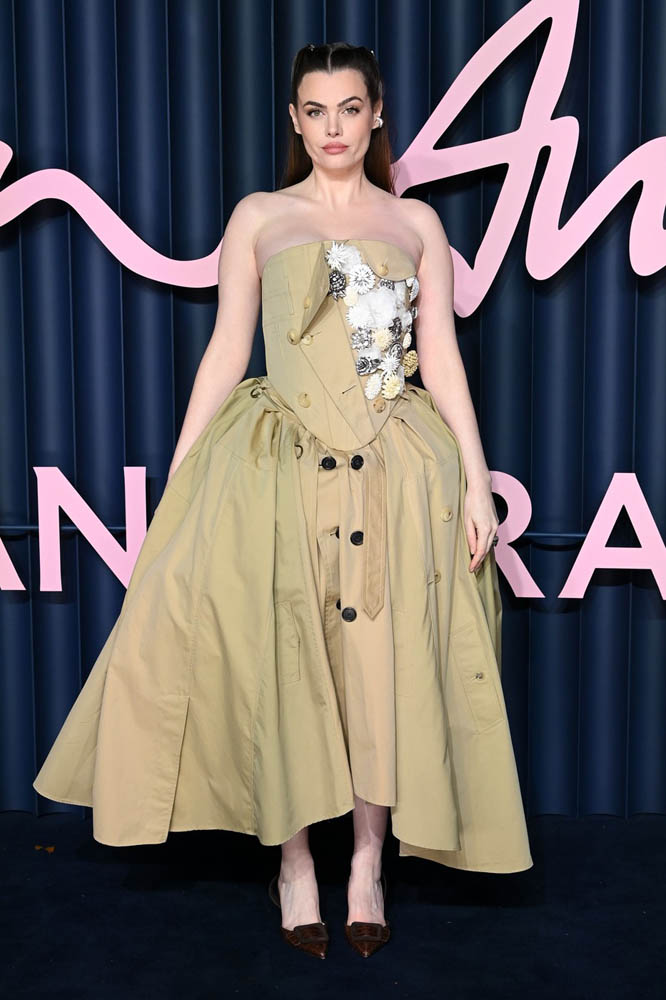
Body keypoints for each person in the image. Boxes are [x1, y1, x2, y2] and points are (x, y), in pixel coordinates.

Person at [33, 42, 532, 961]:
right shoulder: (260, 216)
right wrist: (183, 478)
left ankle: (367, 866)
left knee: (384, 668)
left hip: (396, 467)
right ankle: (294, 864)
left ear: (376, 114)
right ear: (295, 120)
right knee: (286, 660)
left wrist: (475, 477)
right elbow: (229, 349)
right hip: (282, 465)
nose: (334, 127)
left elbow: (441, 355)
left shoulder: (416, 221)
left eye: (350, 108)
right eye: (316, 110)